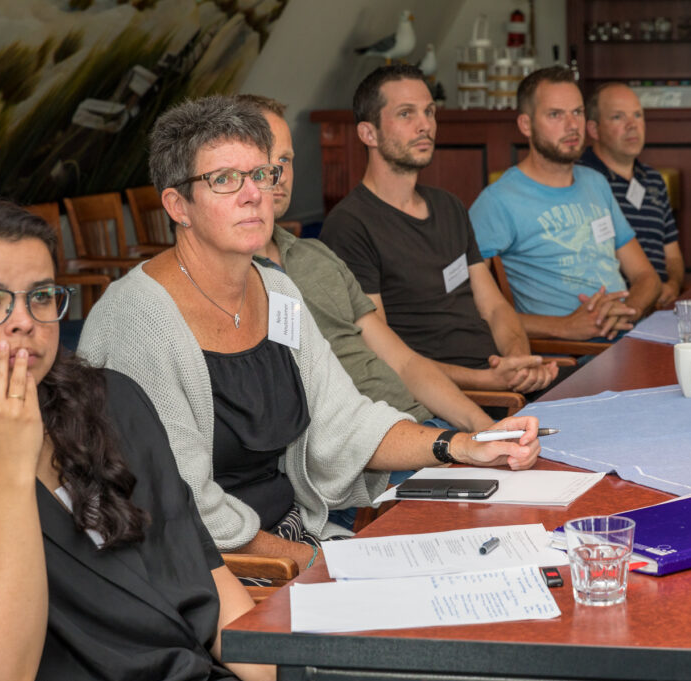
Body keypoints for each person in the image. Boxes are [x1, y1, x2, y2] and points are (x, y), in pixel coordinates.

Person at [78, 96, 540, 571]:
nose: (253, 193)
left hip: (297, 538)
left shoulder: (277, 289)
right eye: (224, 180)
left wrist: (462, 444)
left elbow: (345, 421)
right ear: (178, 205)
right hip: (213, 569)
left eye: (261, 174)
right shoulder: (136, 320)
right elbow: (177, 507)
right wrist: (320, 562)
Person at [0, 199, 272, 681]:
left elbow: (208, 582)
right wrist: (11, 475)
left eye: (40, 297)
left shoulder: (112, 401)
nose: (23, 320)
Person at [239, 94, 493, 433]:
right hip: (374, 453)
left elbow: (403, 363)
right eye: (266, 160)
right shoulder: (233, 277)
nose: (280, 173)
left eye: (286, 158)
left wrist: (485, 427)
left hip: (425, 425)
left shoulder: (317, 256)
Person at [319, 65, 561, 397]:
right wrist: (488, 382)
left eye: (429, 112)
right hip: (444, 399)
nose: (425, 125)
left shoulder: (449, 206)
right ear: (368, 134)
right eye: (406, 114)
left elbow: (493, 307)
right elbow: (382, 355)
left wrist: (518, 362)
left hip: (502, 382)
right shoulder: (350, 225)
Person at [469, 67, 661, 341]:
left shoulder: (595, 183)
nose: (572, 126)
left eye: (578, 112)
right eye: (555, 115)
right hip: (571, 354)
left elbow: (646, 276)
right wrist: (561, 327)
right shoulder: (498, 201)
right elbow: (466, 307)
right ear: (526, 125)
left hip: (629, 337)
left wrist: (627, 310)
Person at [580, 83, 685, 309]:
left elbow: (673, 255)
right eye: (618, 117)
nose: (632, 125)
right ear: (593, 129)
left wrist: (673, 285)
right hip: (608, 308)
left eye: (638, 115)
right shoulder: (580, 181)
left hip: (660, 308)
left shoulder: (654, 181)